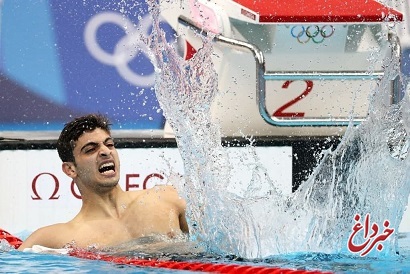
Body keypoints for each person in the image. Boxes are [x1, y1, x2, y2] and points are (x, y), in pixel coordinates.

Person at [18, 114, 189, 251]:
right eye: (91, 149)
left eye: (109, 144)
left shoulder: (168, 199)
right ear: (70, 169)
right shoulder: (56, 237)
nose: (105, 151)